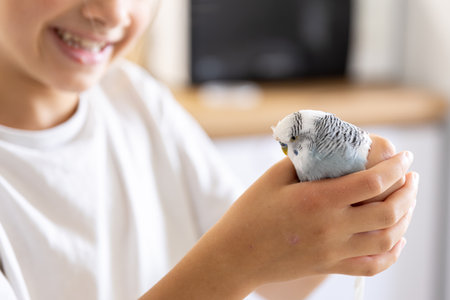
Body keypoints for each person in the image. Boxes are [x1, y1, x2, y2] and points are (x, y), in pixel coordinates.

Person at [0, 0, 418, 299]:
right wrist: (239, 259)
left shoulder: (138, 101)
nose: (112, 12)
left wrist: (334, 228)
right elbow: (241, 266)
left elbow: (271, 282)